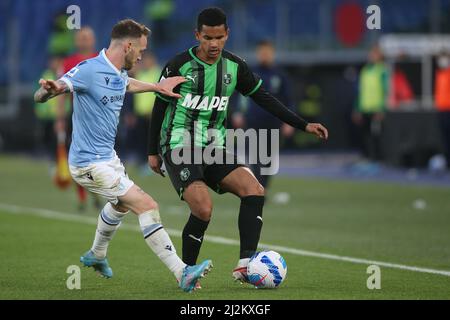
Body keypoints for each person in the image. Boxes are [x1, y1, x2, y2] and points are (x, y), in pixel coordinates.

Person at [147, 8, 328, 285]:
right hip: (178, 145)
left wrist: (303, 124)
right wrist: (152, 151)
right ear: (197, 35)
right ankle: (187, 273)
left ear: (227, 34)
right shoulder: (178, 65)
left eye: (219, 37)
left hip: (213, 148)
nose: (214, 44)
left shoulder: (235, 67)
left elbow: (265, 98)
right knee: (203, 209)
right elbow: (159, 106)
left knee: (255, 189)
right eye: (207, 37)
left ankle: (245, 266)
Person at [34, 19, 212, 293]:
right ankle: (182, 272)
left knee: (120, 205)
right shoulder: (89, 69)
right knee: (147, 205)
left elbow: (126, 84)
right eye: (140, 50)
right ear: (128, 45)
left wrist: (156, 86)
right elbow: (50, 89)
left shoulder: (117, 71)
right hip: (88, 163)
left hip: (108, 159)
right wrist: (48, 91)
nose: (141, 55)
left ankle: (97, 254)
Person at [232, 40, 295, 189]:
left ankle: (263, 188)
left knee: (269, 159)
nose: (265, 55)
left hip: (273, 122)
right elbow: (237, 94)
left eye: (267, 52)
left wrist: (289, 122)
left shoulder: (280, 75)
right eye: (262, 52)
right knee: (255, 158)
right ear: (258, 53)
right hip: (253, 121)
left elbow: (288, 100)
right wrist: (237, 113)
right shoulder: (250, 73)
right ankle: (257, 189)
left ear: (272, 53)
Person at [56, 27, 99, 211]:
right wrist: (59, 119)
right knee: (77, 158)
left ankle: (97, 192)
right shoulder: (68, 63)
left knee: (98, 158)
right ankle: (82, 197)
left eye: (87, 37)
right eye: (81, 38)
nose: (84, 41)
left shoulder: (101, 60)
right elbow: (60, 93)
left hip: (98, 116)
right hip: (75, 116)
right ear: (76, 41)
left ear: (93, 40)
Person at [352, 45, 388, 162]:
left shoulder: (382, 70)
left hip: (376, 108)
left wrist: (382, 108)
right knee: (365, 136)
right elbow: (360, 91)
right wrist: (357, 108)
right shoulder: (365, 70)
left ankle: (378, 159)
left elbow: (385, 90)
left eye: (374, 54)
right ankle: (367, 158)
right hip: (365, 108)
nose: (371, 56)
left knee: (376, 136)